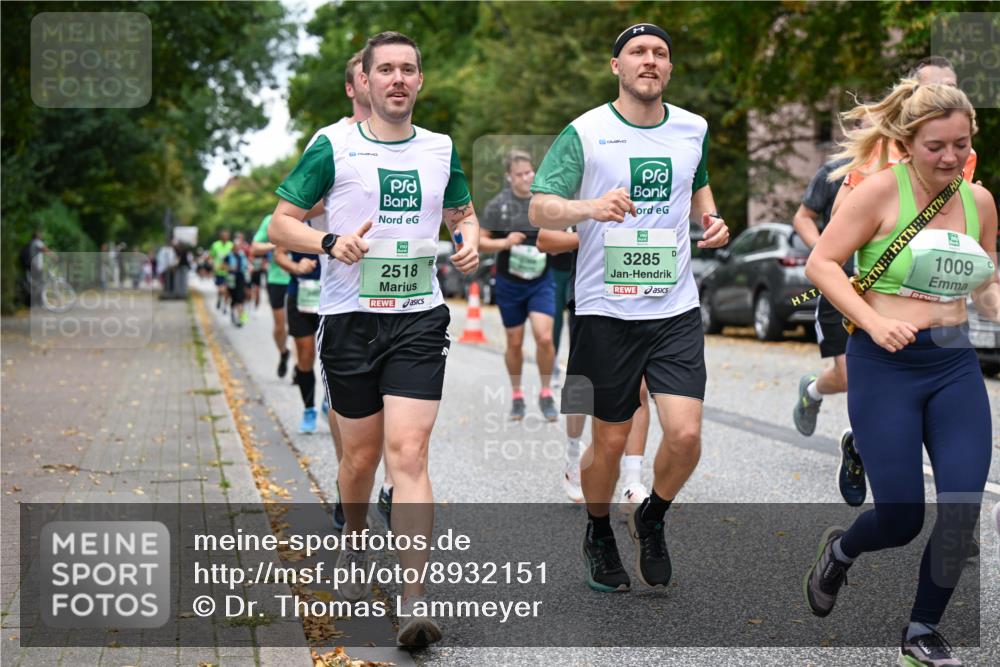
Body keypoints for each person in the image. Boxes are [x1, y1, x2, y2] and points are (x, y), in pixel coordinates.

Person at [268, 31, 480, 647]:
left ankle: (414, 600)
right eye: (385, 69)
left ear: (420, 80)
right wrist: (330, 241)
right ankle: (355, 538)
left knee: (408, 453)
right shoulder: (333, 146)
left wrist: (466, 240)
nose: (397, 79)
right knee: (359, 459)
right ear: (365, 79)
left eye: (408, 69)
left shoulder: (440, 148)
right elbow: (282, 223)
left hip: (418, 318)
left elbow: (462, 214)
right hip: (350, 321)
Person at [529, 23, 730, 592]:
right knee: (611, 443)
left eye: (660, 53)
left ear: (669, 68)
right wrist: (589, 207)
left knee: (685, 436)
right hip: (606, 311)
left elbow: (698, 184)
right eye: (637, 52)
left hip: (674, 307)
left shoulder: (693, 128)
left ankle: (652, 516)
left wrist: (712, 220)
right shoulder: (585, 132)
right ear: (616, 66)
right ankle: (598, 530)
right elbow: (541, 209)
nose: (650, 60)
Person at [803, 80, 997, 667]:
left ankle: (921, 631)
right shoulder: (879, 192)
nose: (950, 157)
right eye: (936, 146)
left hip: (953, 363)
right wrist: (871, 320)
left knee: (962, 507)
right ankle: (840, 552)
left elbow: (985, 282)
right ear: (907, 143)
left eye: (960, 145)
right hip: (883, 364)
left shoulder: (980, 201)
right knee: (901, 517)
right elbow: (822, 263)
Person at [537, 228, 654, 510]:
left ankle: (632, 483)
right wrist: (599, 236)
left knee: (639, 387)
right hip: (591, 296)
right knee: (582, 384)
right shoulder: (582, 200)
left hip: (640, 294)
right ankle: (573, 454)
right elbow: (546, 240)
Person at [790, 155, 867, 507]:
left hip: (886, 292)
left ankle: (861, 444)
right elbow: (803, 217)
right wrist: (824, 249)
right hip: (840, 285)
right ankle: (813, 391)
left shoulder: (916, 166)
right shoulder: (837, 170)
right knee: (849, 375)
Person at [829, 57, 976, 219]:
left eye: (950, 87)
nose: (943, 95)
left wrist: (971, 201)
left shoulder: (967, 154)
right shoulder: (881, 149)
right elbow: (838, 216)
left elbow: (953, 214)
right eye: (934, 88)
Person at [479, 149, 559, 422]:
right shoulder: (498, 205)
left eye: (529, 172)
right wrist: (505, 242)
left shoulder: (545, 201)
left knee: (544, 337)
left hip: (541, 281)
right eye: (520, 174)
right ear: (509, 177)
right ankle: (517, 396)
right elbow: (479, 241)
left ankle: (546, 392)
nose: (526, 178)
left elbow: (564, 230)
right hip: (509, 283)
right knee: (514, 342)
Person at [271, 222, 325, 434]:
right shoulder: (297, 219)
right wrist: (296, 267)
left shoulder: (339, 212)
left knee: (335, 355)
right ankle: (309, 408)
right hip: (301, 294)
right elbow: (279, 254)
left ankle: (330, 401)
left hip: (336, 296)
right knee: (306, 354)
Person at [252, 214, 293, 378]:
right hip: (277, 279)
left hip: (301, 279)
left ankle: (301, 369)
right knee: (280, 326)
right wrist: (276, 244)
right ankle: (283, 352)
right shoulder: (271, 219)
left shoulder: (310, 216)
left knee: (300, 327)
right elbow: (255, 247)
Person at [225, 232, 250, 327]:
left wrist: (249, 269)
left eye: (239, 246)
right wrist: (230, 268)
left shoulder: (242, 255)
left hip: (241, 277)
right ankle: (233, 313)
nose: (238, 248)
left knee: (240, 298)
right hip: (231, 278)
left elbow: (246, 266)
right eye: (236, 246)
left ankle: (240, 319)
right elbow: (222, 266)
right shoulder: (228, 255)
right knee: (234, 298)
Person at [210, 230, 234, 313]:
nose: (225, 238)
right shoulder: (215, 245)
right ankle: (220, 298)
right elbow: (211, 257)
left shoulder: (231, 245)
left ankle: (225, 305)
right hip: (219, 271)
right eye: (224, 236)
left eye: (227, 236)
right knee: (221, 290)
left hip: (229, 272)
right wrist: (213, 266)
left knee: (227, 290)